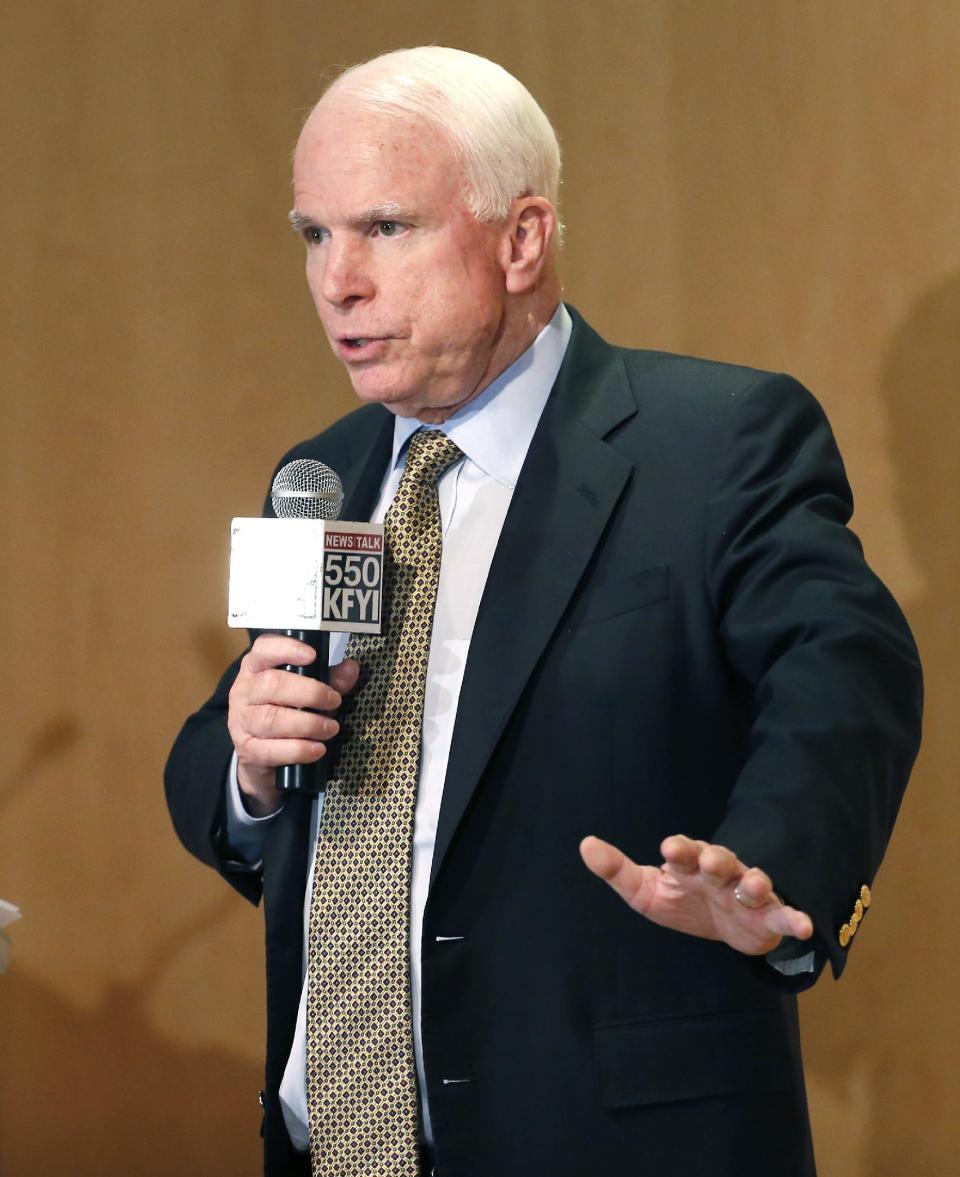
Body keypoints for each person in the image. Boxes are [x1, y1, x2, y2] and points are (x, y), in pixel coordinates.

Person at [164, 46, 922, 1177]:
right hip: (338, 1148)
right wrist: (250, 764)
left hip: (611, 1139)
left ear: (522, 239)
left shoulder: (714, 443)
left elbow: (847, 673)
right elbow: (217, 760)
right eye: (313, 235)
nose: (337, 280)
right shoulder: (321, 474)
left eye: (384, 226)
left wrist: (770, 867)